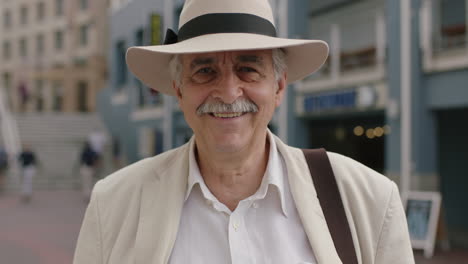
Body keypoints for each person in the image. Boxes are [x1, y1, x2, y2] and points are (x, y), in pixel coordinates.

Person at [74, 0, 414, 263]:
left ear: (279, 87)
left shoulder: (370, 201)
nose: (228, 92)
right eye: (205, 70)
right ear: (178, 91)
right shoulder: (113, 206)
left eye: (248, 69)